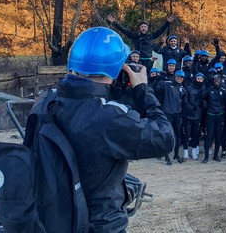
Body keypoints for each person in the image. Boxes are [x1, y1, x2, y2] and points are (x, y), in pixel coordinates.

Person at [54, 26, 174, 232]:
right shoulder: (110, 117)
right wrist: (143, 90)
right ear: (116, 70)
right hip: (100, 223)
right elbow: (164, 138)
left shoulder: (48, 101)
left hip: (59, 216)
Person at [107, 14, 176, 72]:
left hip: (148, 61)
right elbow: (124, 30)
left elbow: (161, 30)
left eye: (145, 27)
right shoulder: (135, 36)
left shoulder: (151, 36)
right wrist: (115, 23)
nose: (144, 28)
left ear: (147, 28)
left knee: (147, 75)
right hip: (137, 60)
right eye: (142, 27)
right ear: (140, 28)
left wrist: (167, 22)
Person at [155, 70, 188, 165]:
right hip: (167, 113)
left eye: (181, 77)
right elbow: (156, 87)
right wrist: (157, 78)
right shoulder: (167, 84)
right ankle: (166, 157)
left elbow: (184, 102)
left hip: (177, 114)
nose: (179, 79)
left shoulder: (183, 89)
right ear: (175, 76)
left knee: (177, 135)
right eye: (178, 76)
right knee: (167, 135)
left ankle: (176, 155)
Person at [202, 74, 226, 163]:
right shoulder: (209, 90)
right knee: (209, 136)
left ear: (221, 81)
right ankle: (206, 157)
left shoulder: (224, 90)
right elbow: (202, 97)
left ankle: (216, 155)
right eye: (215, 80)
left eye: (218, 79)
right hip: (210, 115)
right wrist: (204, 103)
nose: (216, 81)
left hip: (220, 115)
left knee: (218, 136)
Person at [183, 72, 207, 161]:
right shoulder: (188, 88)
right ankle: (185, 151)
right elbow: (185, 100)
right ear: (195, 79)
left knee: (196, 133)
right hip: (187, 114)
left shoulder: (204, 89)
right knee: (187, 133)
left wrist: (204, 105)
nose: (199, 81)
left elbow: (205, 100)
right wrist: (190, 107)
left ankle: (194, 150)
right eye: (198, 79)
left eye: (201, 79)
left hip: (198, 115)